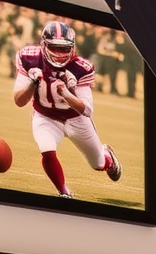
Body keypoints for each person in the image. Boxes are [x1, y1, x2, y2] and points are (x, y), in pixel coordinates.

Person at [12, 19, 122, 199]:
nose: (59, 53)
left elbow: (86, 110)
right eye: (54, 47)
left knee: (98, 164)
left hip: (75, 119)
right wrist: (33, 83)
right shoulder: (29, 57)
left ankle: (107, 157)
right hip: (45, 116)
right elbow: (18, 101)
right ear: (43, 44)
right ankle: (64, 193)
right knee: (47, 149)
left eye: (64, 48)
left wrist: (67, 94)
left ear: (72, 47)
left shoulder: (81, 67)